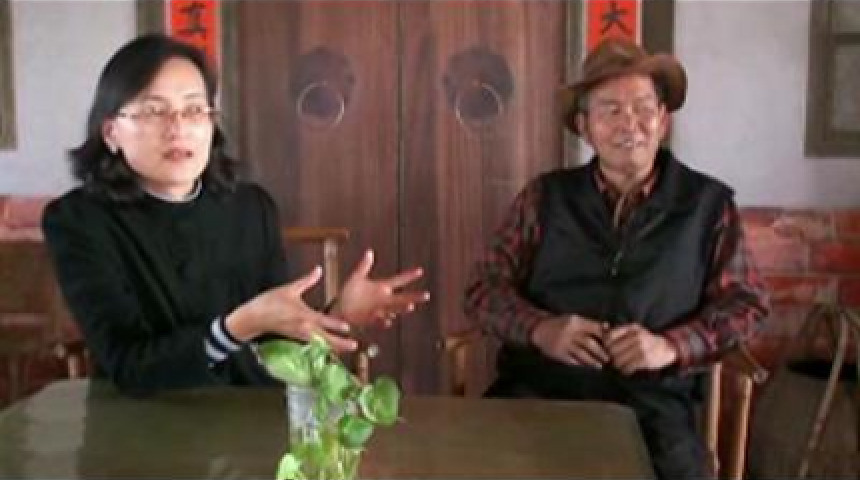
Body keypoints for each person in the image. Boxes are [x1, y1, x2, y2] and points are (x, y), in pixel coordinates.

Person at [42, 34, 429, 396]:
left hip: (251, 418)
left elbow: (278, 344)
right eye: (154, 111)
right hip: (143, 426)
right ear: (111, 132)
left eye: (194, 109)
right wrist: (235, 328)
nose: (178, 128)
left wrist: (338, 314)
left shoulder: (250, 208)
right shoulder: (78, 221)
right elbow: (129, 366)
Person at [463, 38, 769, 479]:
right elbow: (483, 290)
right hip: (540, 392)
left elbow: (748, 306)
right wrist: (541, 329)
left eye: (644, 108)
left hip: (654, 406)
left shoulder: (708, 206)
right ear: (584, 127)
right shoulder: (544, 198)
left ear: (663, 121)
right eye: (611, 110)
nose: (630, 124)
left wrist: (670, 346)